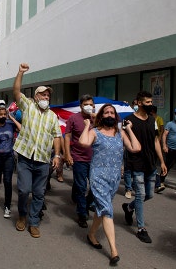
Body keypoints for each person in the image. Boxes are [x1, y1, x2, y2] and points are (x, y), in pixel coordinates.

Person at [79, 103, 141, 266]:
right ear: (101, 116)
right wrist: (87, 126)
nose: (109, 115)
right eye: (106, 112)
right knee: (107, 210)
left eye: (112, 113)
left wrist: (129, 129)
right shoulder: (95, 132)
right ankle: (114, 250)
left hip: (114, 178)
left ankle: (92, 234)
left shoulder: (120, 133)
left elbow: (136, 148)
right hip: (98, 176)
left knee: (102, 208)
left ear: (115, 117)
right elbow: (84, 143)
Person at [12, 63, 63, 238]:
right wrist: (20, 73)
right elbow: (17, 91)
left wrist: (56, 155)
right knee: (24, 190)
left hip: (42, 159)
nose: (46, 97)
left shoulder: (53, 116)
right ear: (36, 96)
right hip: (26, 157)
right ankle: (22, 216)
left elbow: (57, 136)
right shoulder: (27, 106)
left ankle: (34, 222)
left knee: (40, 193)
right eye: (43, 94)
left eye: (48, 95)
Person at [121, 91, 167, 244]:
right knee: (140, 194)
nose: (150, 105)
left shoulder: (152, 120)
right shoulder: (128, 120)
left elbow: (155, 141)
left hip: (150, 164)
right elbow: (123, 142)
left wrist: (162, 162)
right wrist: (122, 164)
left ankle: (129, 208)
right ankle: (141, 228)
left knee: (150, 194)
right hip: (136, 164)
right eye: (147, 102)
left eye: (151, 102)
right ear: (139, 103)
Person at [64, 94, 95, 228]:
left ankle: (86, 203)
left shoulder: (97, 119)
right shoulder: (73, 118)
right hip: (79, 158)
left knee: (95, 187)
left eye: (91, 104)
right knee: (82, 187)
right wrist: (67, 154)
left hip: (95, 159)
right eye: (86, 104)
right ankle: (82, 214)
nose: (89, 107)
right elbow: (67, 136)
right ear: (81, 105)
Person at [123, 99, 139, 199]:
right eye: (135, 104)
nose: (137, 106)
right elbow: (123, 131)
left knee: (137, 170)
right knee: (128, 170)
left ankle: (134, 186)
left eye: (138, 104)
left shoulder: (144, 118)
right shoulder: (128, 117)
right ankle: (128, 189)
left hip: (139, 147)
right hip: (129, 147)